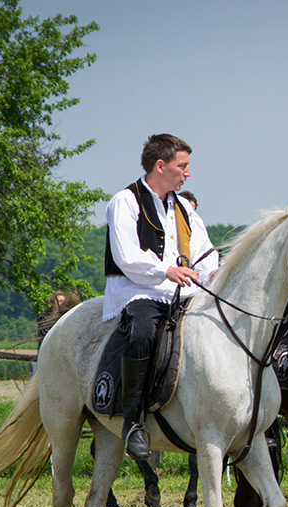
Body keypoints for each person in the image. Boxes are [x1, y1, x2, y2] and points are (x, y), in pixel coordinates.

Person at [103, 133, 219, 460]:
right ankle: (133, 422)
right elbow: (126, 256)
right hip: (139, 291)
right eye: (183, 166)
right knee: (141, 334)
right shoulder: (125, 201)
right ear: (160, 165)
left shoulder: (183, 207)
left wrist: (212, 273)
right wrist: (166, 271)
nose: (188, 173)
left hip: (182, 293)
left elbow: (205, 252)